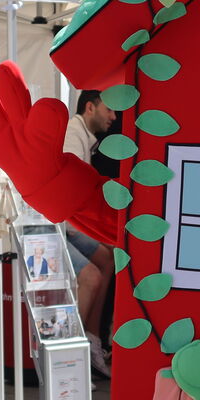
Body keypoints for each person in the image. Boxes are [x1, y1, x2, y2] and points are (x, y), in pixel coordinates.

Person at [63, 90, 117, 378]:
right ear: (89, 107)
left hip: (69, 227)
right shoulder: (73, 136)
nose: (113, 117)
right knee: (92, 276)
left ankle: (93, 339)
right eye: (108, 110)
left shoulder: (82, 135)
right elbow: (71, 194)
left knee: (108, 259)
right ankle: (73, 353)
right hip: (56, 228)